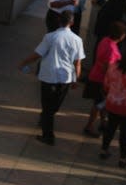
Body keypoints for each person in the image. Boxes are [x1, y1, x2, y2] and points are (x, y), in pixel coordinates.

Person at [18, 10, 85, 146]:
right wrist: (75, 79)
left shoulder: (51, 37)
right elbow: (78, 63)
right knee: (54, 106)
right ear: (72, 23)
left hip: (49, 76)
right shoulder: (78, 40)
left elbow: (38, 54)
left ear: (59, 20)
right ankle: (46, 122)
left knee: (47, 106)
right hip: (66, 77)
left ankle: (48, 135)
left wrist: (23, 63)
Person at [82, 21, 126, 138]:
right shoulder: (112, 49)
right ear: (121, 36)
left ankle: (102, 123)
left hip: (95, 75)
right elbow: (108, 68)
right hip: (102, 81)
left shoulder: (105, 40)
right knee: (98, 104)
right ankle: (89, 126)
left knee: (101, 103)